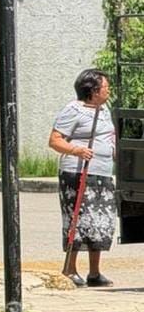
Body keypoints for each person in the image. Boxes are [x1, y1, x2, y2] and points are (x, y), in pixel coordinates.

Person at [49, 69, 116, 288]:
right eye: (105, 87)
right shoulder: (73, 110)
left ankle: (94, 273)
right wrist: (77, 150)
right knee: (78, 220)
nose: (108, 90)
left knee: (100, 220)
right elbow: (55, 141)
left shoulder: (104, 109)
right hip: (78, 173)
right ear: (93, 91)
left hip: (103, 173)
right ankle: (70, 268)